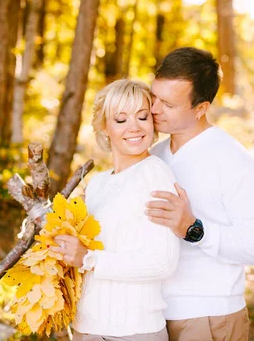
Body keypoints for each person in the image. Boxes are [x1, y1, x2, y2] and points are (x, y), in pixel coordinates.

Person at [145, 47, 254, 341]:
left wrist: (195, 229)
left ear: (201, 108)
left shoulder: (232, 159)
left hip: (208, 318)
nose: (154, 109)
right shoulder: (153, 155)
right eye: (153, 96)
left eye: (168, 104)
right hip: (152, 316)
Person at [52, 79, 180, 341]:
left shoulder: (154, 174)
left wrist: (90, 258)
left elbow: (163, 261)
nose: (134, 127)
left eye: (142, 117)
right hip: (87, 328)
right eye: (121, 120)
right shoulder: (98, 184)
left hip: (133, 330)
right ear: (104, 126)